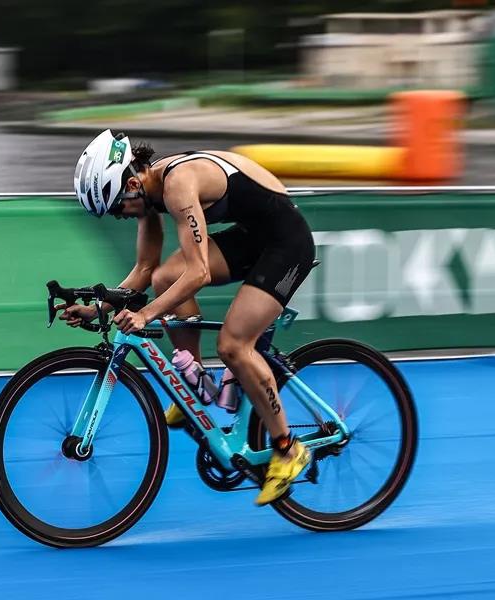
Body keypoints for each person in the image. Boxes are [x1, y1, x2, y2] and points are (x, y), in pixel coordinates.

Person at [62, 129, 316, 506]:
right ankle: (194, 385)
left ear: (131, 184)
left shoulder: (178, 185)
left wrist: (145, 314)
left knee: (234, 346)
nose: (119, 216)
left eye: (116, 208)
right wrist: (98, 308)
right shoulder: (146, 195)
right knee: (165, 276)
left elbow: (199, 273)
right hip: (253, 237)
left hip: (287, 244)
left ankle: (288, 448)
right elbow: (145, 269)